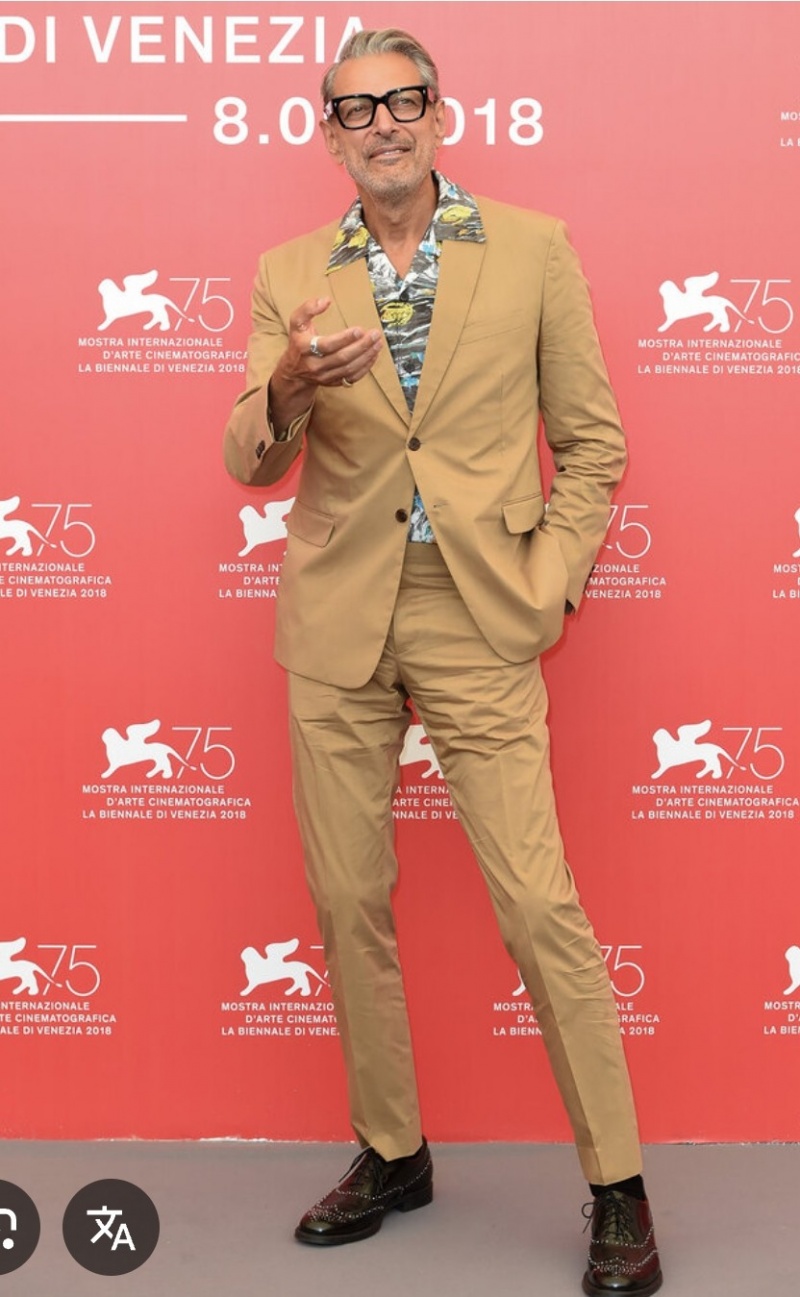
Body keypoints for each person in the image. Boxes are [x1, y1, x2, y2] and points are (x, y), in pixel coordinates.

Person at [223, 28, 662, 1296]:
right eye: (356, 108)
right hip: (336, 619)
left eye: (402, 99)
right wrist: (289, 385)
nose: (383, 123)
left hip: (478, 611)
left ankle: (618, 1185)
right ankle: (391, 1150)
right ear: (330, 134)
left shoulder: (529, 248)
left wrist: (549, 574)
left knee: (535, 902)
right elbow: (249, 459)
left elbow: (592, 443)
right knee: (347, 895)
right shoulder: (292, 273)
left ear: (437, 113)